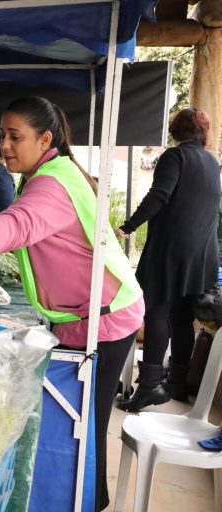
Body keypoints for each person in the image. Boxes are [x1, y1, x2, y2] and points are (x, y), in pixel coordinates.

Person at [0, 96, 144, 512]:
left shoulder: (53, 182)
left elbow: (18, 224)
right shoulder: (53, 170)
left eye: (15, 136)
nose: (5, 144)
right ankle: (90, 496)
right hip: (88, 314)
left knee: (87, 426)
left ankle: (90, 501)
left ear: (45, 139)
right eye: (3, 134)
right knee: (84, 423)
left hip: (104, 319)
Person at [116, 107, 221, 412]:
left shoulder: (175, 157)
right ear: (203, 132)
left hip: (172, 250)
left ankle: (149, 386)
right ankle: (176, 382)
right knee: (181, 317)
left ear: (176, 131)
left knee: (157, 313)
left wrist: (128, 226)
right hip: (202, 253)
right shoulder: (211, 162)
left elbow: (159, 195)